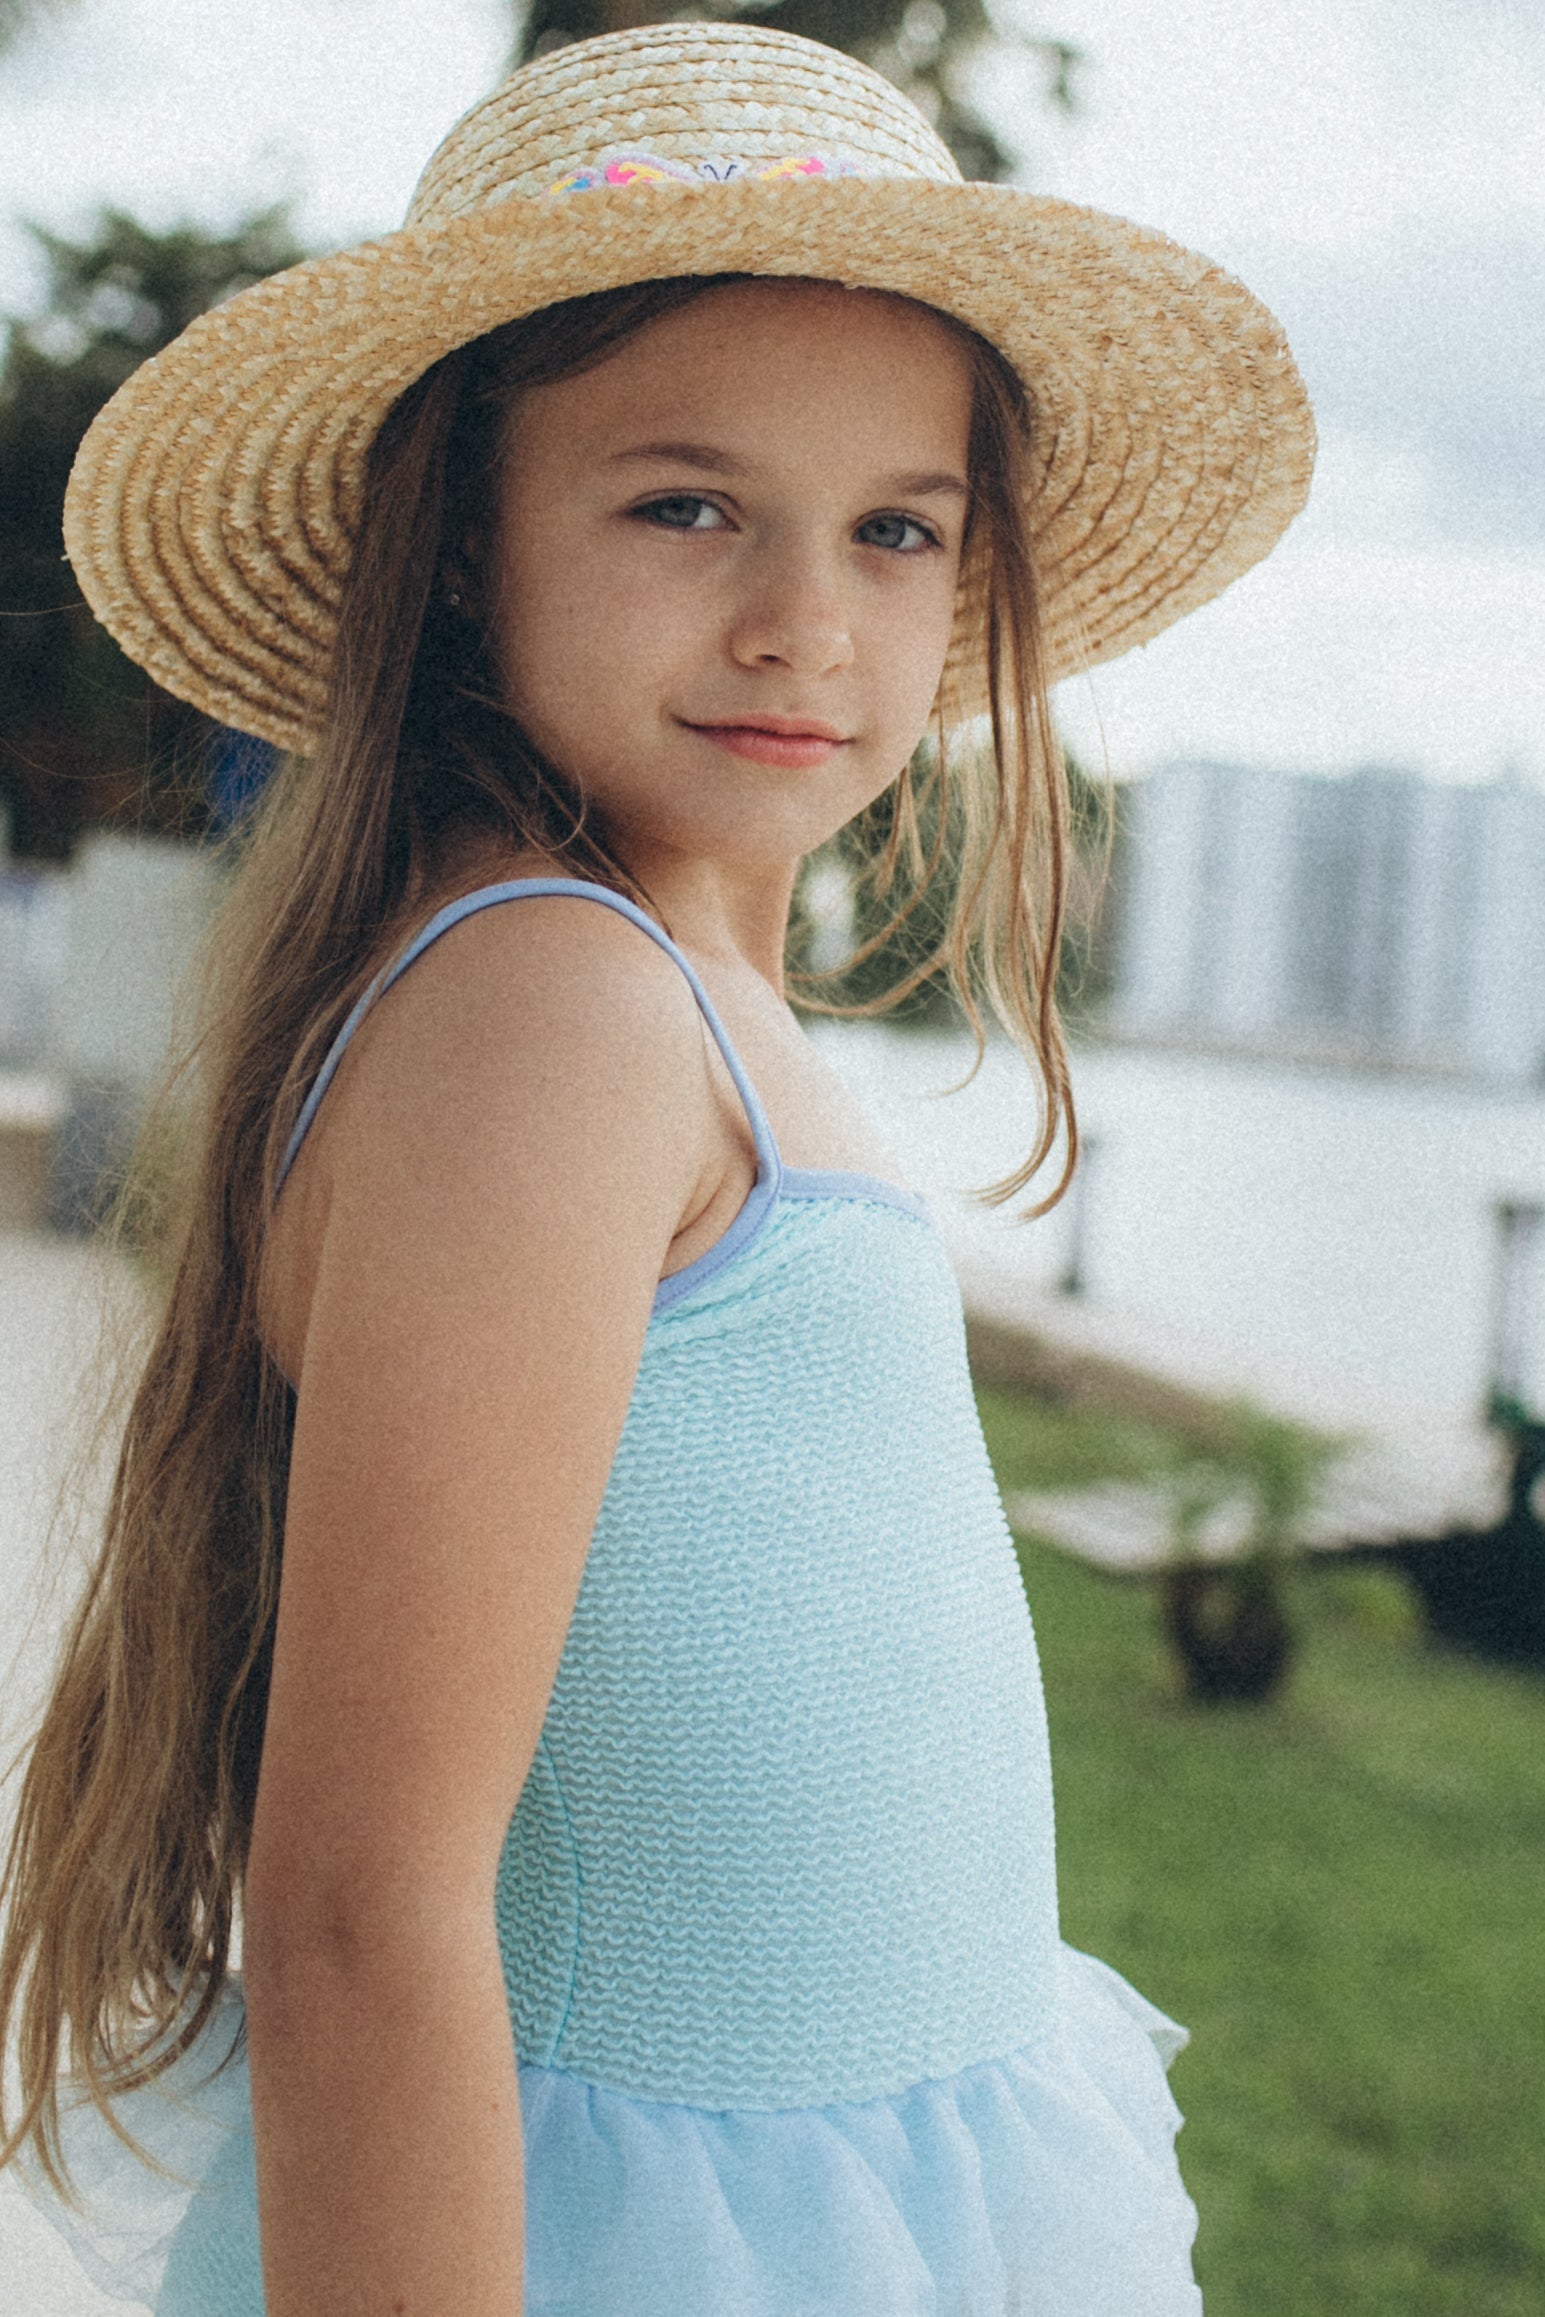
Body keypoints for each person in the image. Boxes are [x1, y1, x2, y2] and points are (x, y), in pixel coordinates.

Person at [0, 22, 1314, 2315]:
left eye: (896, 527)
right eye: (685, 502)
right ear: (451, 558)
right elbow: (364, 1897)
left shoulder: (691, 1010)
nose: (808, 614)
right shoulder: (548, 1013)